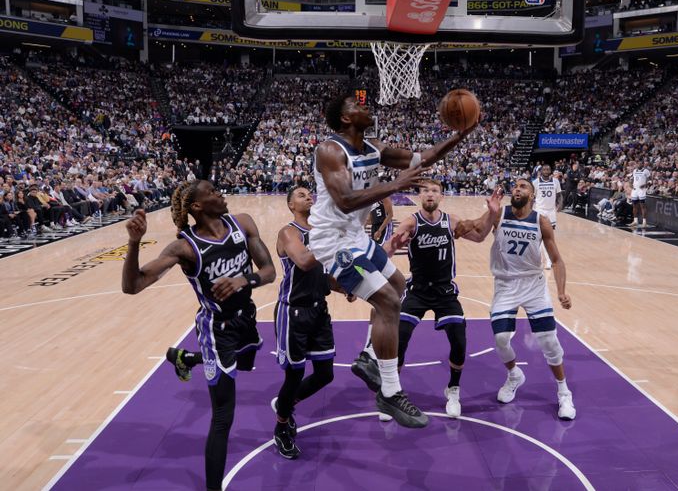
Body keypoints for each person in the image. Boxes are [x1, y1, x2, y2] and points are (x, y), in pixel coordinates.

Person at [309, 93, 475, 428]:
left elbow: (422, 159)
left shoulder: (374, 148)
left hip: (356, 236)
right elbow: (343, 201)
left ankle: (369, 357)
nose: (366, 107)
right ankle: (390, 390)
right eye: (358, 105)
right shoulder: (330, 150)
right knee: (386, 301)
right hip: (333, 239)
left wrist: (459, 136)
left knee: (399, 285)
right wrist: (393, 186)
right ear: (344, 119)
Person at [121, 180, 276, 491]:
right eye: (213, 192)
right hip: (216, 331)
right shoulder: (184, 247)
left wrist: (242, 280)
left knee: (247, 361)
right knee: (223, 418)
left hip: (246, 318)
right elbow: (133, 285)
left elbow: (270, 270)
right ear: (197, 207)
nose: (221, 193)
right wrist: (135, 243)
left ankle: (186, 358)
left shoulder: (242, 223)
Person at [385, 180, 502, 418]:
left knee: (459, 341)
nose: (430, 194)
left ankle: (453, 389)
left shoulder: (452, 222)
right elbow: (387, 249)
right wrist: (383, 253)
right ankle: (391, 393)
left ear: (441, 196)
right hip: (417, 291)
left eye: (434, 191)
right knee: (400, 340)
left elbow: (479, 235)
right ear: (419, 196)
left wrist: (491, 213)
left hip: (445, 292)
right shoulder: (411, 222)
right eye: (425, 191)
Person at [483, 178, 576, 420]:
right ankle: (514, 375)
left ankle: (564, 391)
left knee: (549, 340)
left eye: (523, 186)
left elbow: (556, 260)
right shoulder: (499, 214)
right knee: (501, 338)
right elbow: (477, 230)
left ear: (532, 196)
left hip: (533, 284)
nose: (517, 188)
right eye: (515, 186)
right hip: (505, 284)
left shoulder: (540, 221)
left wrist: (561, 291)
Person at [271, 186, 339, 459]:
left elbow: (322, 274)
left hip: (318, 310)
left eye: (309, 193)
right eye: (300, 195)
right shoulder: (288, 232)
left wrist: (346, 288)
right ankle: (281, 427)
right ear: (290, 205)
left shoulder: (319, 233)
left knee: (325, 374)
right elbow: (303, 261)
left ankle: (284, 405)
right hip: (293, 312)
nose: (308, 196)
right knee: (294, 375)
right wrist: (332, 237)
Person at [532, 164, 562, 270]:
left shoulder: (556, 181)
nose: (546, 170)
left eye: (548, 169)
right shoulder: (535, 182)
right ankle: (541, 260)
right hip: (539, 211)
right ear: (541, 171)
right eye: (544, 169)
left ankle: (548, 260)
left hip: (551, 212)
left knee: (549, 237)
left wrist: (560, 205)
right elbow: (532, 198)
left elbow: (559, 195)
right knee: (540, 237)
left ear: (550, 171)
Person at [628, 161, 650, 229]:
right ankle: (635, 221)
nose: (638, 164)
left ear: (642, 164)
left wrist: (645, 185)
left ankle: (644, 222)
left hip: (641, 190)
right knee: (634, 206)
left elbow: (650, 180)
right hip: (635, 190)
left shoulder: (646, 171)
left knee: (642, 206)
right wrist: (630, 184)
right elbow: (632, 178)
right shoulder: (634, 170)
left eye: (640, 163)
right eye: (637, 163)